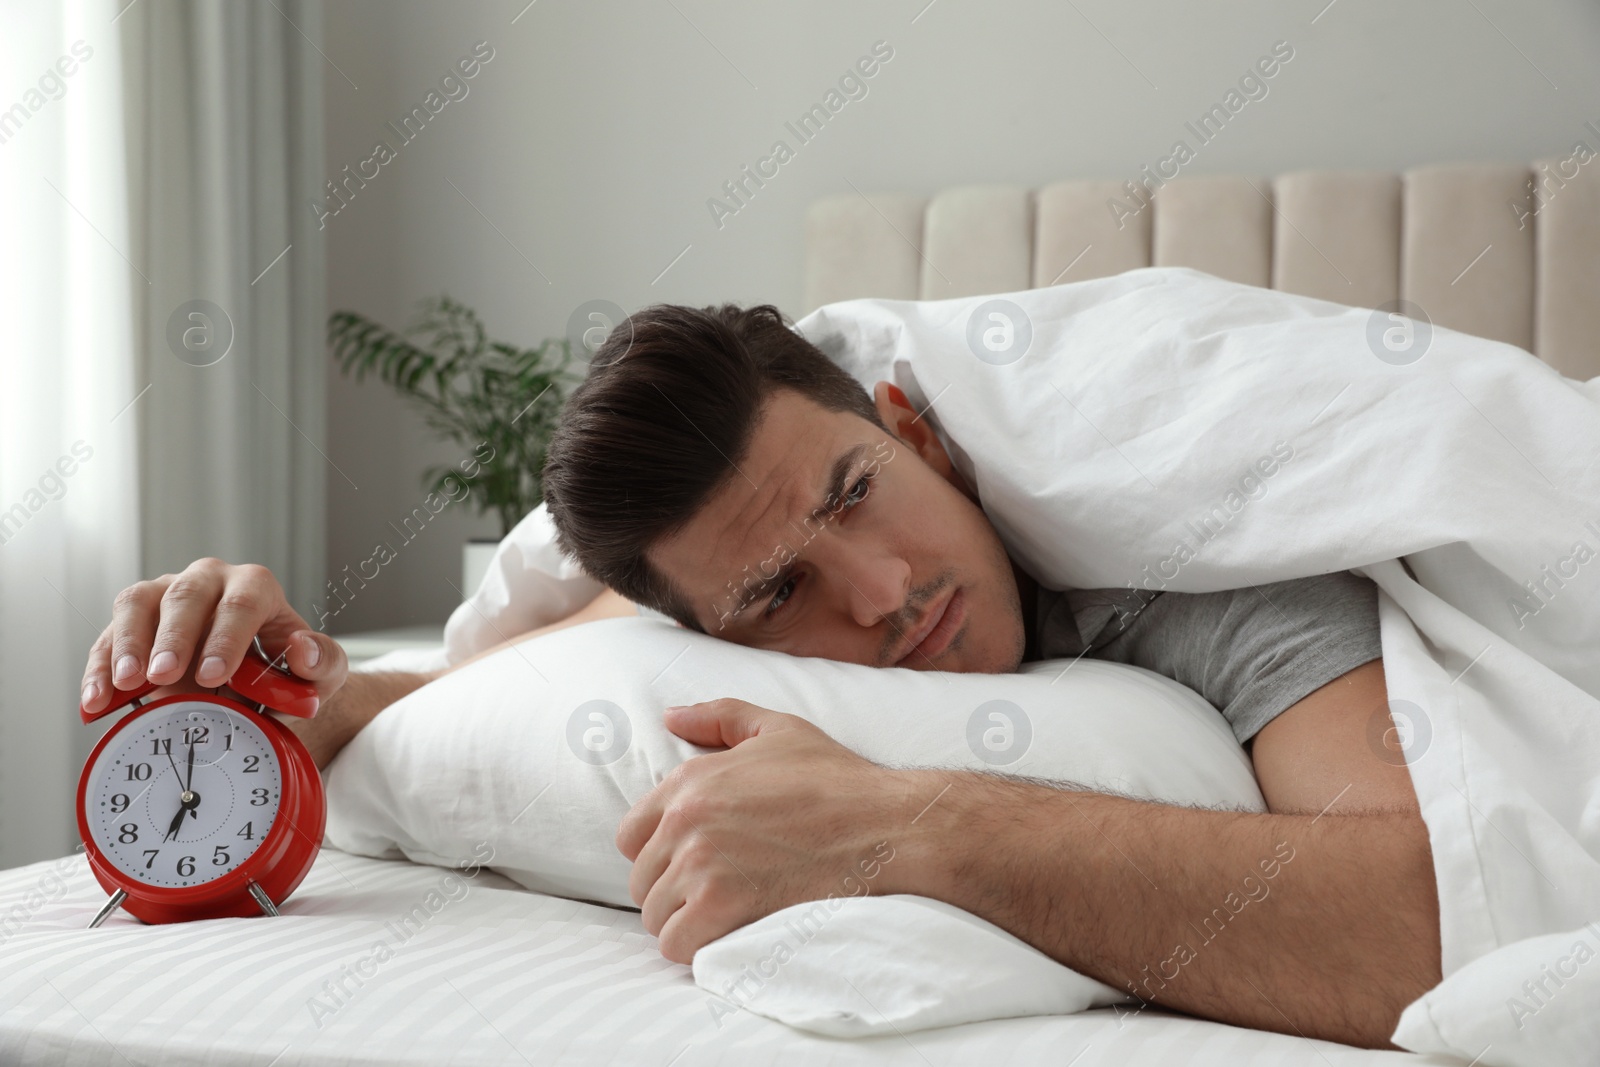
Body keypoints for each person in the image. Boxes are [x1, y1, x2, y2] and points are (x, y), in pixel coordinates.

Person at [80, 303, 1437, 1051]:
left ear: (912, 428)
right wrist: (286, 682)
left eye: (859, 490)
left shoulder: (1209, 558)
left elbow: (1424, 930)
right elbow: (445, 688)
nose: (885, 594)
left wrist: (907, 827)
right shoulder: (676, 607)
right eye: (779, 593)